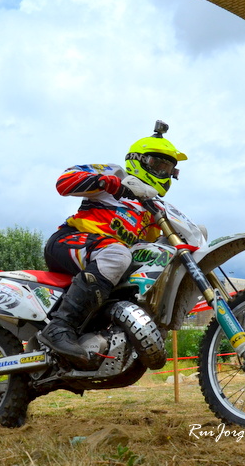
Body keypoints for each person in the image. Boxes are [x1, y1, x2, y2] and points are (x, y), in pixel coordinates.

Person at [37, 121, 186, 368]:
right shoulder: (116, 173)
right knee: (118, 255)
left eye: (167, 167)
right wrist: (106, 182)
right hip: (69, 241)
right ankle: (60, 326)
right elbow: (64, 181)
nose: (162, 170)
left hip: (103, 260)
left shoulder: (151, 208)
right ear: (138, 160)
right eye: (156, 163)